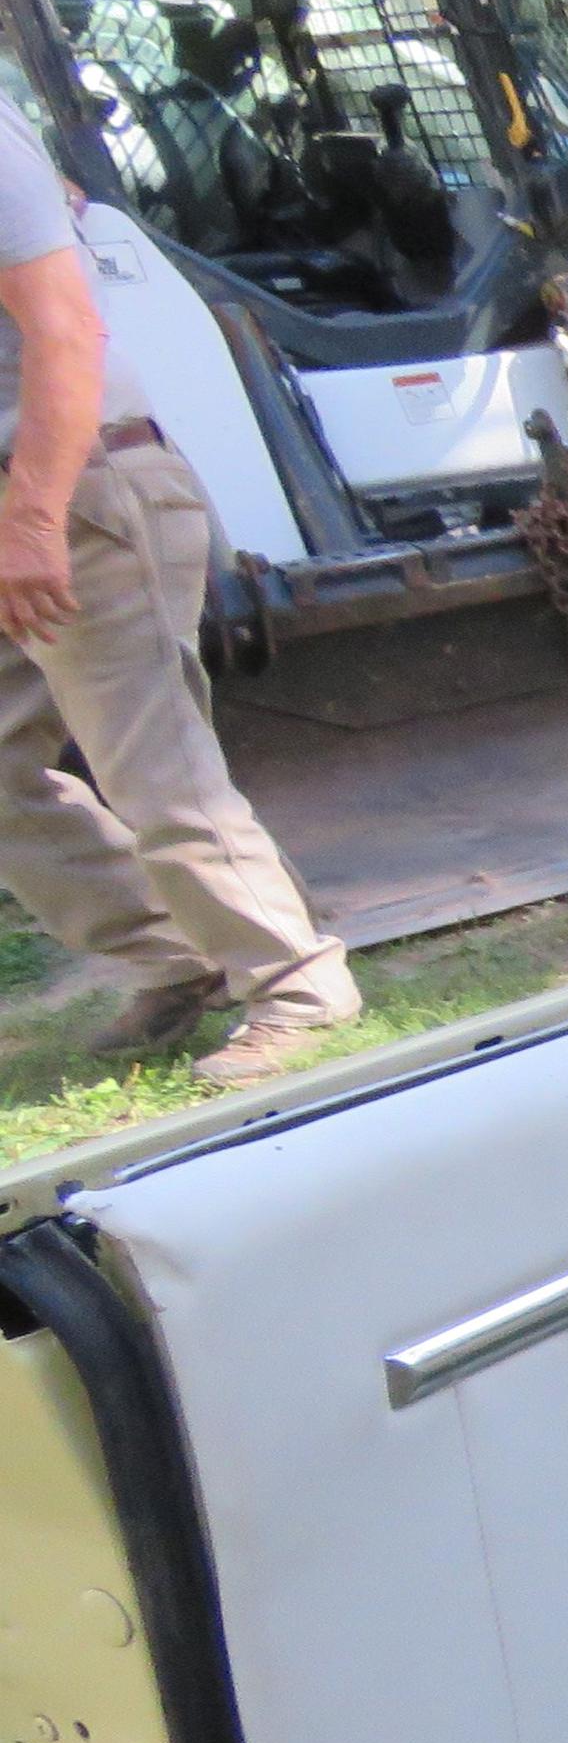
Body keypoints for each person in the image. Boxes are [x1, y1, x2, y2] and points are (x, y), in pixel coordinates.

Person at [0, 88, 356, 1089]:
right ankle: (176, 954)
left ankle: (298, 985)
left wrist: (32, 523)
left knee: (154, 766)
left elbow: (65, 334)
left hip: (77, 494)